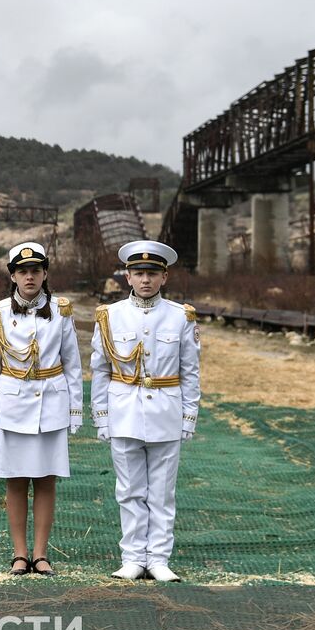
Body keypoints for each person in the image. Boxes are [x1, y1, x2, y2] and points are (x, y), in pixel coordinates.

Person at [90, 240, 200, 583]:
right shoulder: (109, 315)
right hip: (124, 411)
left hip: (166, 411)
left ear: (164, 277)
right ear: (127, 276)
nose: (145, 280)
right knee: (130, 490)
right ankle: (133, 557)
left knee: (163, 492)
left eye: (152, 273)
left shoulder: (181, 316)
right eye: (138, 273)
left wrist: (188, 415)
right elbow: (101, 369)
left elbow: (190, 370)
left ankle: (159, 559)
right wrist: (102, 415)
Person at [0, 242, 83, 577]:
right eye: (22, 271)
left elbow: (73, 365)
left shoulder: (61, 311)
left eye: (35, 270)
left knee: (46, 480)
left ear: (45, 273)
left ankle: (41, 554)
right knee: (16, 481)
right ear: (12, 275)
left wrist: (75, 410)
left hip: (51, 403)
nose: (29, 277)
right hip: (12, 405)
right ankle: (19, 554)